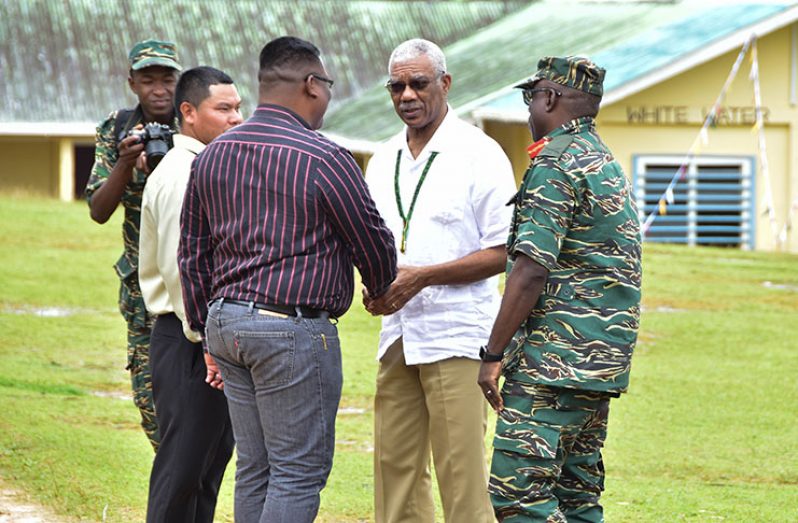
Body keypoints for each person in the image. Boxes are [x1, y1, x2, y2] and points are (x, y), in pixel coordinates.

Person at [178, 36, 397, 523]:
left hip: (225, 324)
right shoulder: (323, 156)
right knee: (297, 472)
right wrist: (381, 288)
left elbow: (192, 254)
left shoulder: (211, 155)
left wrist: (205, 332)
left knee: (256, 467)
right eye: (329, 85)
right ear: (312, 85)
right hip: (289, 331)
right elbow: (373, 241)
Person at [477, 56, 642, 522]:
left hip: (553, 364)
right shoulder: (602, 161)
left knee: (519, 495)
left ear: (548, 98)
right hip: (597, 365)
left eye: (532, 98)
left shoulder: (556, 164)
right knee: (577, 498)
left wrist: (493, 356)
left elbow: (530, 269)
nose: (530, 110)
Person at [363, 38, 516, 523]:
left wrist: (422, 278)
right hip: (399, 335)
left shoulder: (480, 153)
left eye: (419, 83)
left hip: (457, 336)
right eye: (397, 86)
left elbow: (507, 249)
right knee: (395, 474)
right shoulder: (383, 158)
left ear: (445, 84)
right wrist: (377, 284)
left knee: (461, 479)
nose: (407, 95)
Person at [139, 66, 242, 523]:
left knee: (205, 472)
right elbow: (186, 268)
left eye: (238, 107)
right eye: (223, 109)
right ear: (188, 113)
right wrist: (206, 342)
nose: (236, 118)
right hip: (190, 341)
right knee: (181, 474)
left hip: (202, 338)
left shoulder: (203, 165)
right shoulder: (185, 173)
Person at [85, 39, 182, 451]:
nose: (159, 90)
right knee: (151, 399)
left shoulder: (199, 122)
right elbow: (99, 209)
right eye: (148, 80)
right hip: (143, 289)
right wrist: (125, 163)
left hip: (194, 282)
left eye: (167, 80)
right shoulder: (116, 129)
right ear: (132, 83)